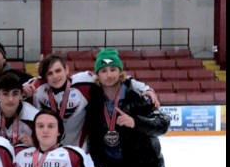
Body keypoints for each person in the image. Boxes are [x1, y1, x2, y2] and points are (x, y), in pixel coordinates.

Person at [27, 54, 158, 151]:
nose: (55, 76)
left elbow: (115, 78)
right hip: (48, 151)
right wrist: (23, 91)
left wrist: (147, 89)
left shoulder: (83, 82)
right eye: (49, 73)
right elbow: (15, 90)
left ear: (66, 69)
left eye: (58, 71)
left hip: (80, 152)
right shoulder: (37, 87)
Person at [0, 72, 39, 147]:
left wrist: (35, 144)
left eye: (15, 94)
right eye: (5, 94)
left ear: (21, 95)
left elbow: (48, 146)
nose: (10, 99)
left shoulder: (34, 116)